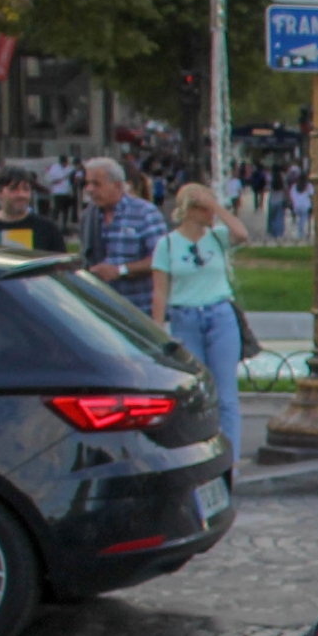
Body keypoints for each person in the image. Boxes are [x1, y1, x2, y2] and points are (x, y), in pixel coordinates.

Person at [153, 182, 252, 448]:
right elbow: (160, 292)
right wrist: (158, 328)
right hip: (185, 318)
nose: (211, 214)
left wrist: (217, 206)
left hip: (219, 315)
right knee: (197, 392)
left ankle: (230, 458)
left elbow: (241, 234)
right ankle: (203, 448)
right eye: (205, 209)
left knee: (226, 394)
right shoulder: (167, 244)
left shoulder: (217, 237)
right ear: (190, 210)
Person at [81, 156, 166, 315]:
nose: (90, 189)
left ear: (118, 185)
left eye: (96, 184)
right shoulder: (89, 216)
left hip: (140, 311)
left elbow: (162, 259)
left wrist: (120, 270)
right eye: (88, 183)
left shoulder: (145, 213)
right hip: (103, 310)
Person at [0, 170, 66, 253]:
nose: (21, 195)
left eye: (26, 189)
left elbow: (61, 270)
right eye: (14, 189)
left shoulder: (48, 229)